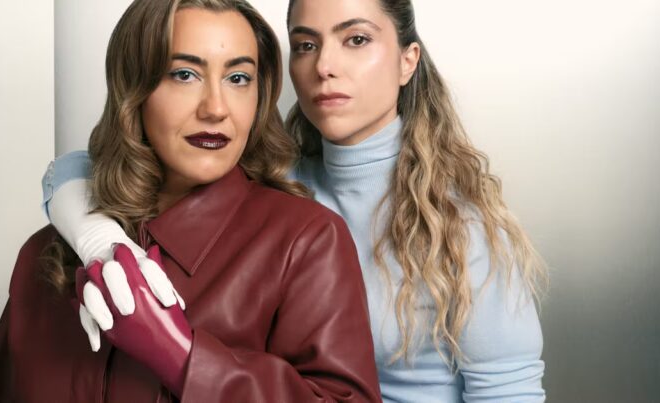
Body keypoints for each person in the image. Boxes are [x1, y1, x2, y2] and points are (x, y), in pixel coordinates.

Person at [38, 0, 549, 401]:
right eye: (305, 44)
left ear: (406, 61)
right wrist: (96, 238)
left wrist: (179, 355)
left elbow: (509, 392)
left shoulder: (462, 228)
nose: (325, 65)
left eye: (356, 40)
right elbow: (80, 168)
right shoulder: (275, 185)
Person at [0, 0, 381, 402]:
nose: (216, 109)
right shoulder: (45, 253)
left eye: (239, 78)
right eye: (184, 74)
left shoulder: (305, 242)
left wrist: (181, 356)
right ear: (134, 87)